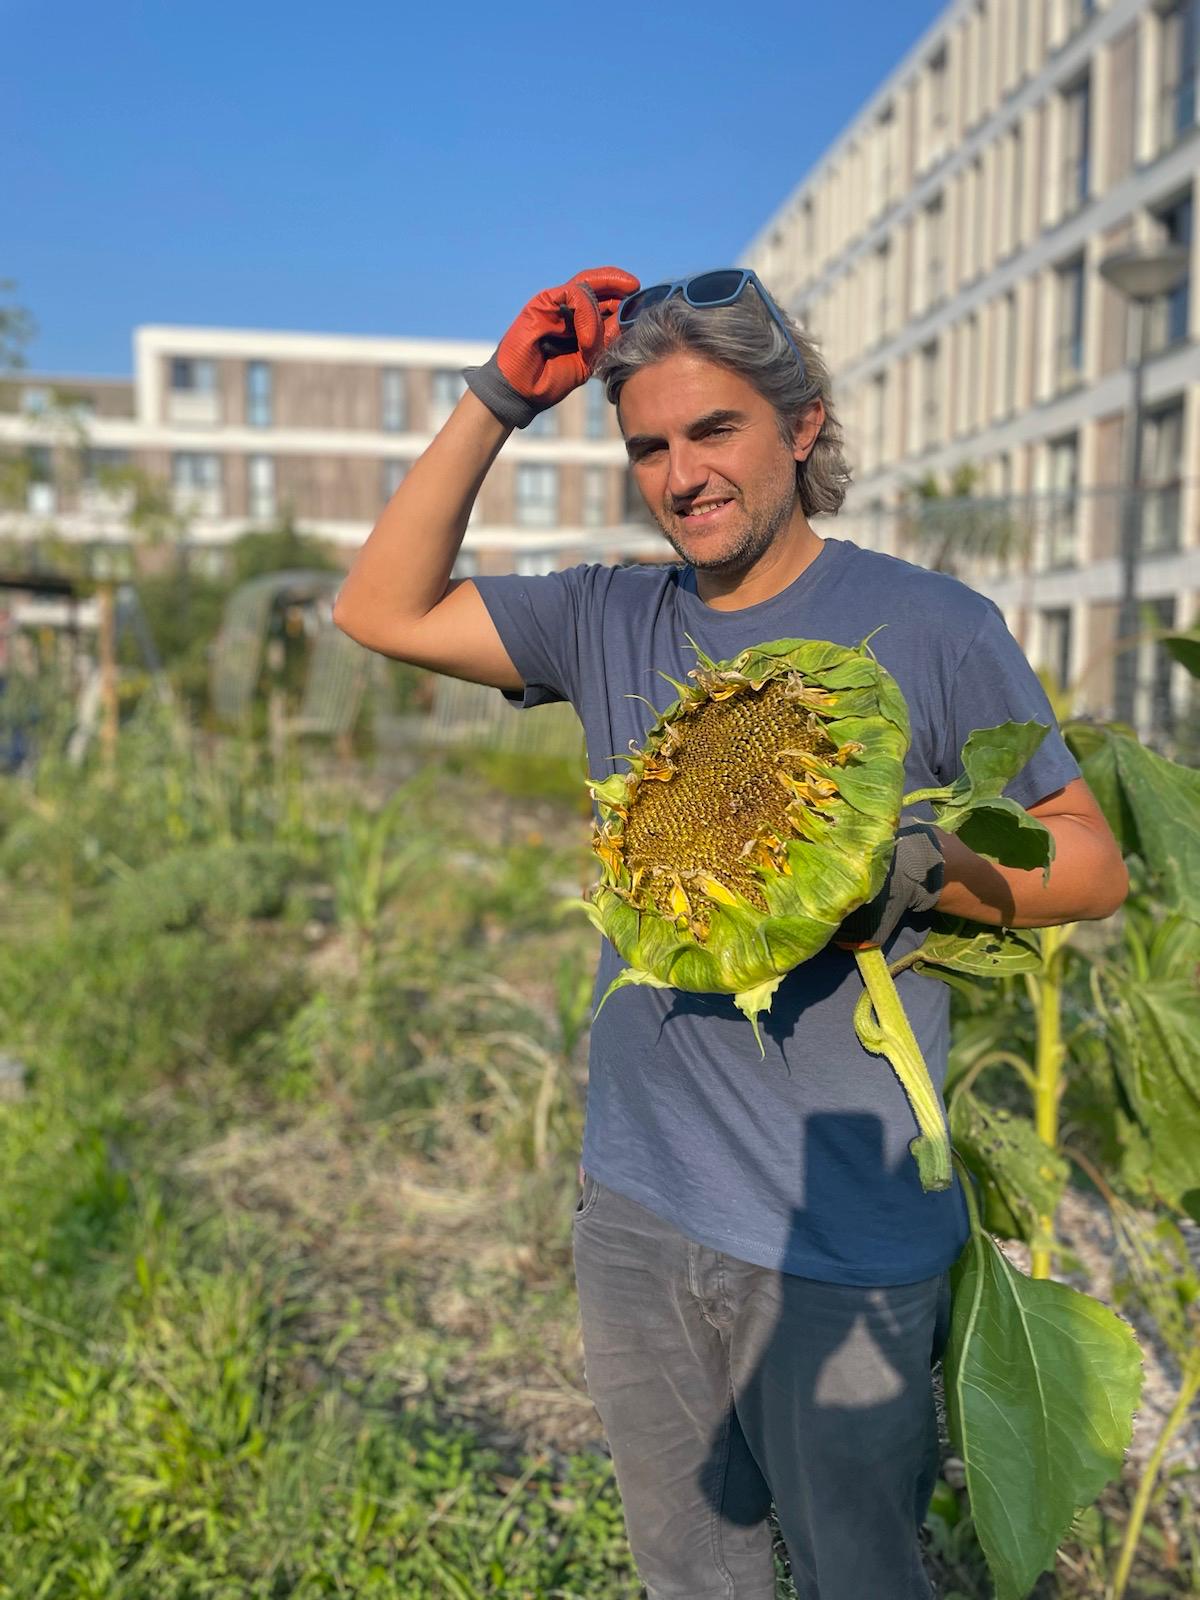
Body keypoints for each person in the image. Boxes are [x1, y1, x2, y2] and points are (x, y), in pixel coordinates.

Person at [332, 267, 1128, 1599]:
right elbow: (382, 610)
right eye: (648, 445)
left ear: (801, 427)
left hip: (843, 1241)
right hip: (639, 1208)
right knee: (691, 1576)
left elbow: (1089, 862)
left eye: (714, 432)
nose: (680, 473)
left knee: (861, 1573)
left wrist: (904, 869)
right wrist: (496, 402)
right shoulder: (608, 619)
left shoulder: (932, 628)